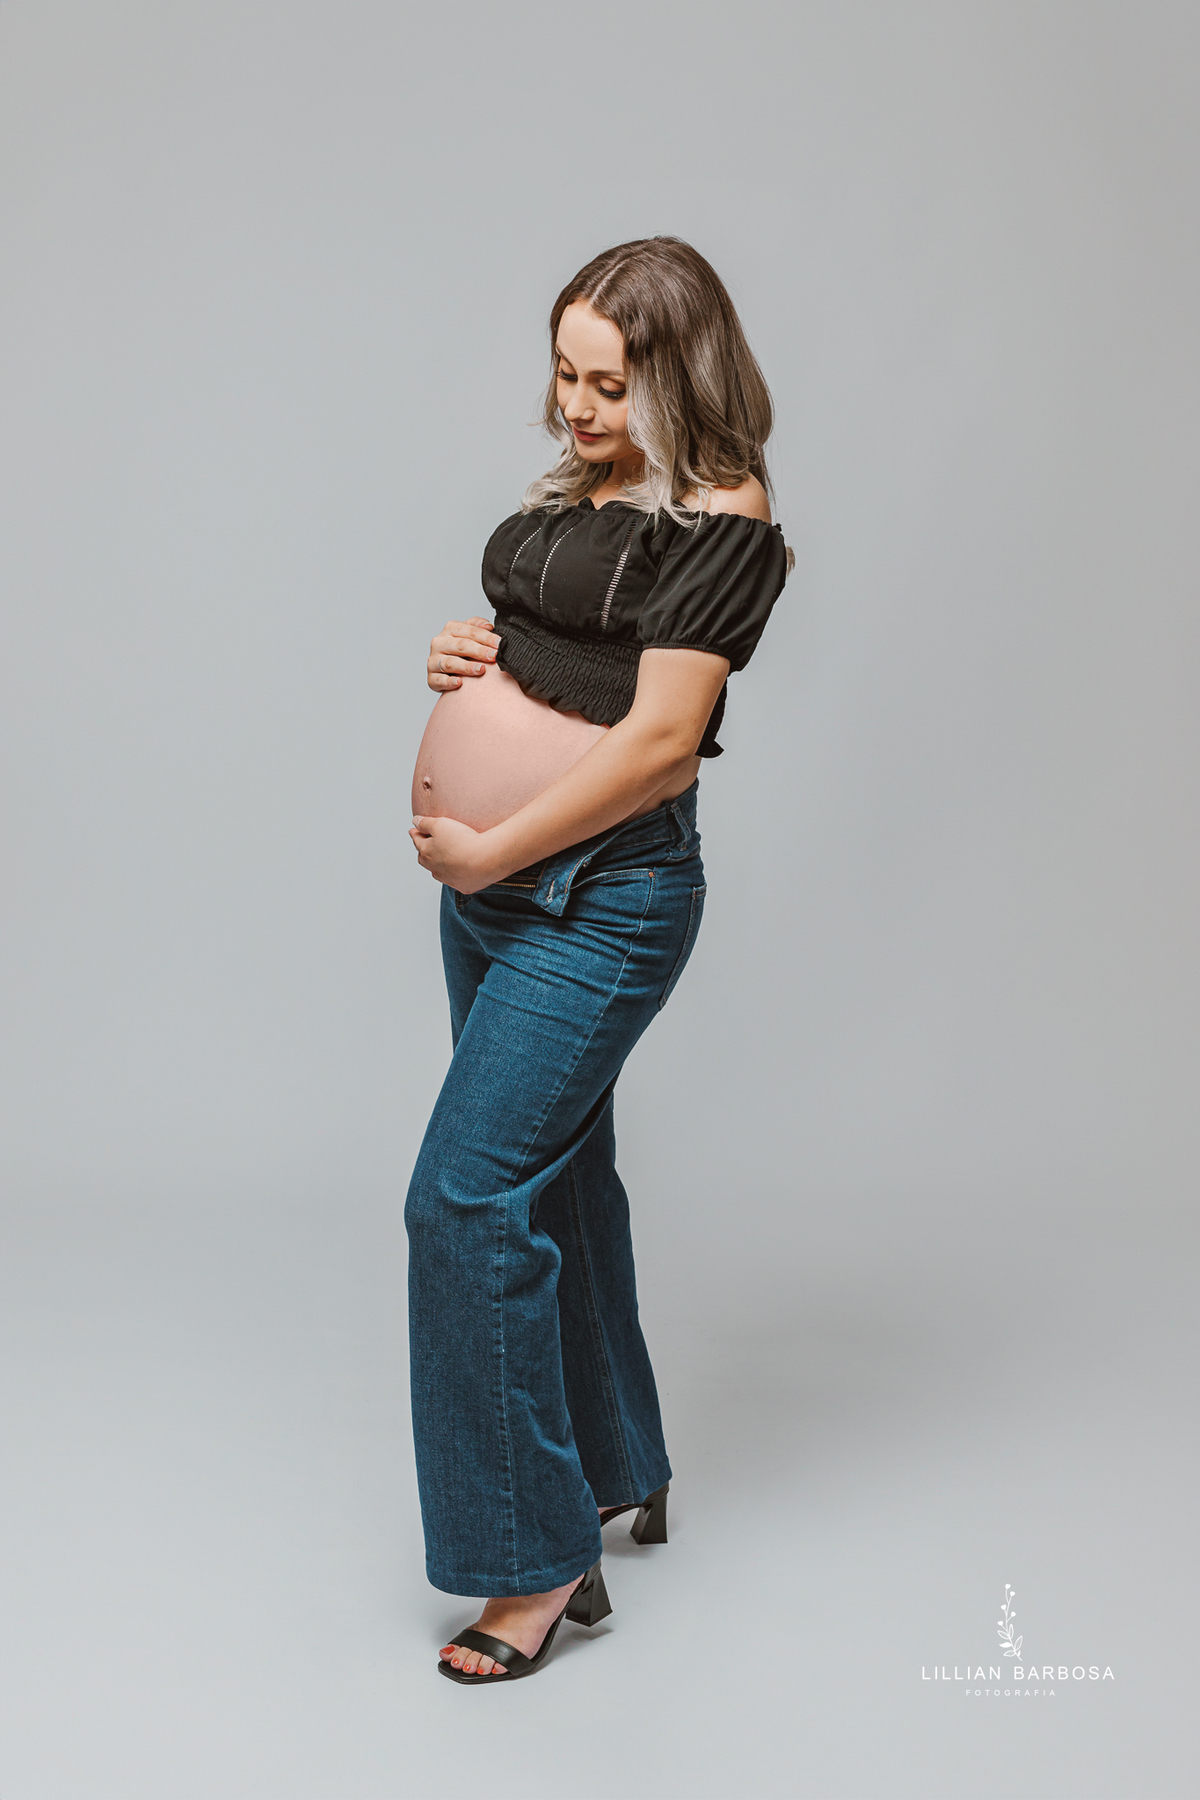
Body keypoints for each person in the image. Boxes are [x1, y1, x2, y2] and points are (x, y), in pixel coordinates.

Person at [406, 236, 793, 1684]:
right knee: (554, 1173)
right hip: (497, 896)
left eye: (608, 382)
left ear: (678, 376)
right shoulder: (592, 485)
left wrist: (498, 846)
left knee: (461, 1202)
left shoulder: (721, 513)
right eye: (563, 373)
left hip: (601, 899)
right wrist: (472, 656)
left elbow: (657, 744)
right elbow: (560, 649)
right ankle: (622, 1463)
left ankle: (534, 1558)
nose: (573, 405)